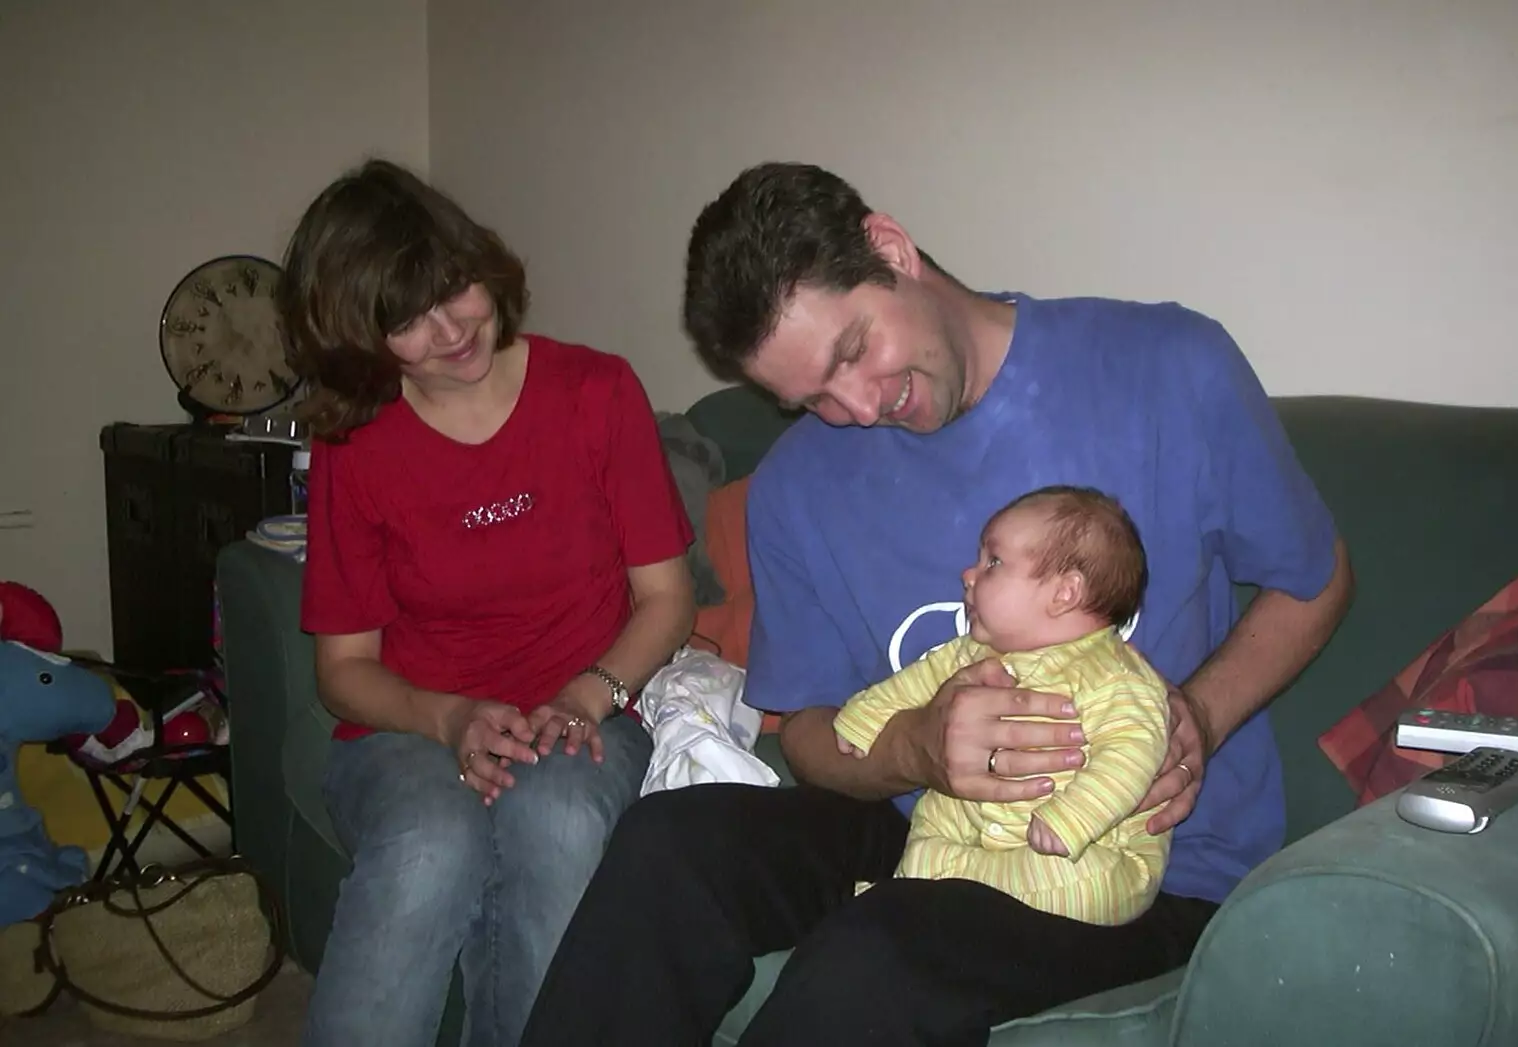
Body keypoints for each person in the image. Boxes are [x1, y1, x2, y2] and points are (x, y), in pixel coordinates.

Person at [519, 161, 1354, 1047]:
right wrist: (915, 745)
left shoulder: (1167, 369)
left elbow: (1318, 577)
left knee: (874, 958)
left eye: (852, 353)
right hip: (927, 835)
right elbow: (806, 731)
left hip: (1137, 867)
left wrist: (1199, 712)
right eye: (810, 400)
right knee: (667, 846)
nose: (858, 408)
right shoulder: (798, 483)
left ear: (890, 249)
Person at [277, 158, 697, 1047]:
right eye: (404, 320)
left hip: (584, 706)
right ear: (359, 338)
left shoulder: (596, 391)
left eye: (452, 289)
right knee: (433, 841)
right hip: (412, 727)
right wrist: (452, 717)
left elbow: (666, 599)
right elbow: (344, 671)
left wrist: (587, 696)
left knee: (560, 813)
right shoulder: (356, 446)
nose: (449, 329)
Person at [833, 484, 1170, 925]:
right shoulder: (969, 653)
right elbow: (913, 682)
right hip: (972, 824)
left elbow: (1133, 751)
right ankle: (933, 878)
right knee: (935, 818)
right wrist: (865, 717)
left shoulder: (1117, 677)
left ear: (1064, 594)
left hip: (1079, 845)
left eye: (993, 562)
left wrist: (1074, 818)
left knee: (1095, 886)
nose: (968, 575)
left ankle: (932, 881)